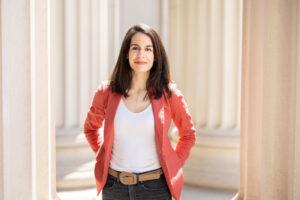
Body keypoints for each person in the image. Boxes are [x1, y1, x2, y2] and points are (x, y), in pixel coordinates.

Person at [83, 24, 196, 200]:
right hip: (114, 188)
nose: (141, 54)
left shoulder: (169, 94)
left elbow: (188, 135)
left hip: (155, 188)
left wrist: (173, 164)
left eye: (148, 49)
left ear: (156, 56)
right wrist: (103, 155)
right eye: (135, 48)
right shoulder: (106, 92)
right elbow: (90, 129)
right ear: (126, 54)